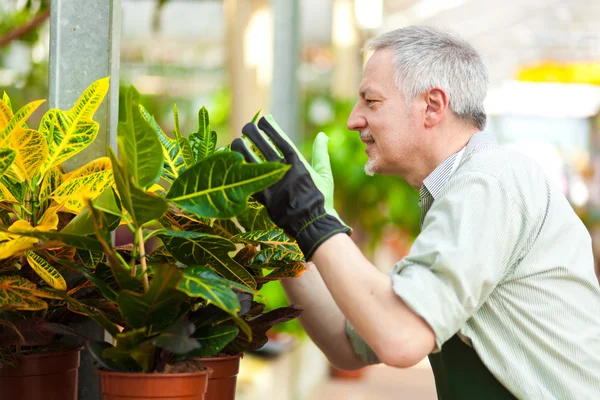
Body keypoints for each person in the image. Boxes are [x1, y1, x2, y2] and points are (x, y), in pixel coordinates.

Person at [231, 25, 600, 399]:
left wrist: (313, 218)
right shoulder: (458, 191)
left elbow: (402, 337)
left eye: (371, 102)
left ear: (433, 106)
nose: (354, 119)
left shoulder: (490, 182)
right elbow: (346, 342)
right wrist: (291, 237)